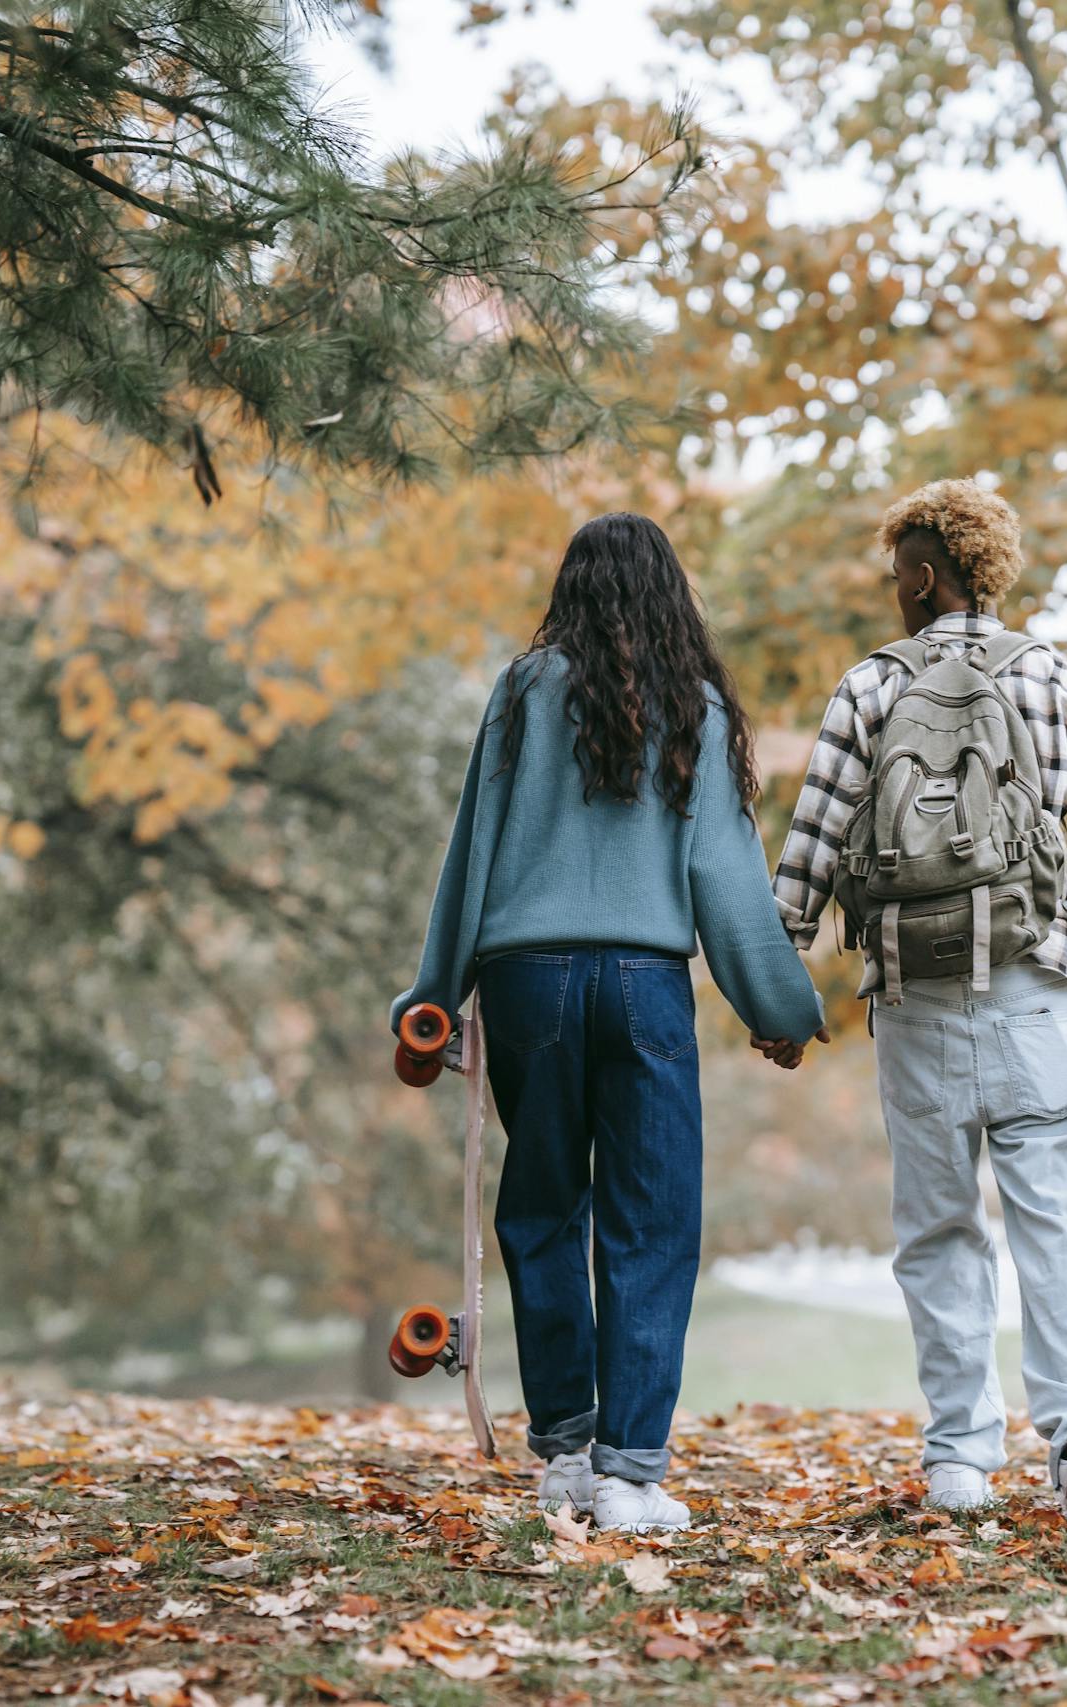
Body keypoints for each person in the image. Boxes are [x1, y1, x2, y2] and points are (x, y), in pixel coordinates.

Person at [390, 512, 827, 1533]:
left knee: (543, 1209)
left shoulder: (522, 691)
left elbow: (473, 849)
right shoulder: (698, 707)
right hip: (643, 982)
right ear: (672, 596)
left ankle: (565, 1456)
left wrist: (432, 995)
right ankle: (632, 1474)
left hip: (526, 981)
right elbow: (725, 878)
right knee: (652, 1218)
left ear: (570, 590)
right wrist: (781, 1010)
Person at [771, 478, 1067, 1522]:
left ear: (922, 573)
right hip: (1041, 993)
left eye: (893, 571)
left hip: (915, 997)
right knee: (1055, 1224)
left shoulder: (867, 689)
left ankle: (959, 1456)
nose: (889, 589)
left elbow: (809, 847)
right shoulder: (1056, 678)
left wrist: (779, 982)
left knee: (939, 1228)